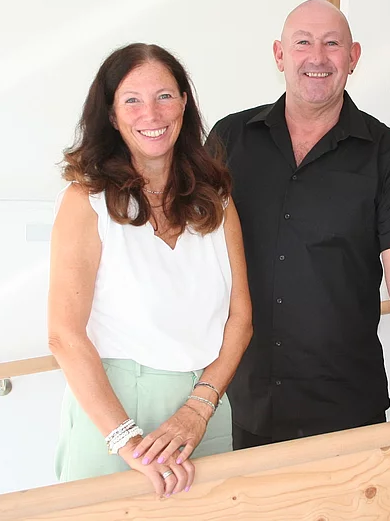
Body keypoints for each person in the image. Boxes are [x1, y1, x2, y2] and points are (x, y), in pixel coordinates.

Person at [207, 0, 390, 459]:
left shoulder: (388, 153)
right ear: (280, 55)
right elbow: (190, 246)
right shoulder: (229, 139)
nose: (317, 58)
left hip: (343, 404)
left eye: (332, 44)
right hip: (240, 398)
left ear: (353, 57)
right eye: (303, 43)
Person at [47, 43, 252, 498]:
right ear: (111, 113)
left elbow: (241, 320)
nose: (151, 113)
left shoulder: (216, 198)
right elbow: (64, 334)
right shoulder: (86, 202)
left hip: (206, 406)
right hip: (114, 415)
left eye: (164, 96)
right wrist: (127, 441)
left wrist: (199, 407)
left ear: (184, 103)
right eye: (132, 100)